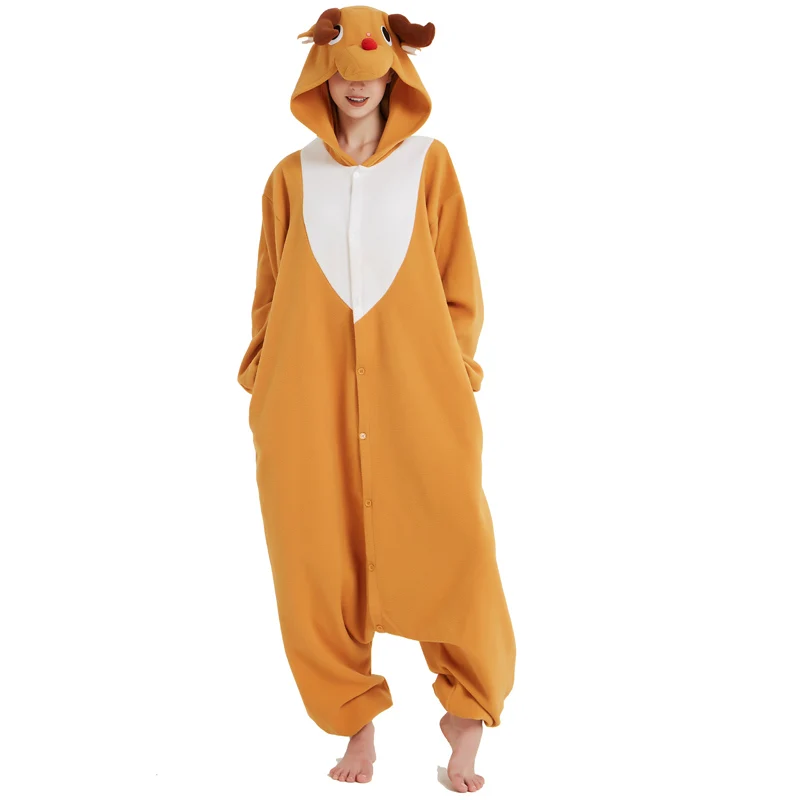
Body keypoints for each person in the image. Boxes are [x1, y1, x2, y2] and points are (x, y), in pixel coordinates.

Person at [237, 6, 515, 793]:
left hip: (420, 393)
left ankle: (466, 712)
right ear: (321, 76)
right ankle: (353, 718)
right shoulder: (291, 177)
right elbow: (268, 287)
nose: (357, 89)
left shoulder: (430, 163)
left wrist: (455, 369)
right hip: (306, 397)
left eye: (372, 75)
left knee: (454, 542)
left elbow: (459, 279)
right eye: (342, 75)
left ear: (396, 75)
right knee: (314, 552)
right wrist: (262, 374)